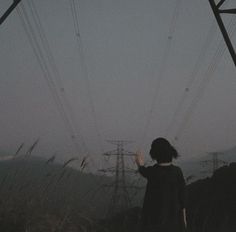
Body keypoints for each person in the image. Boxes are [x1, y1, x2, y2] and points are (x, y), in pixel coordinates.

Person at [135, 137, 187, 232]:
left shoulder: (153, 172)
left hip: (153, 223)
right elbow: (182, 200)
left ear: (154, 154)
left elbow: (143, 171)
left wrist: (139, 163)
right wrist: (183, 223)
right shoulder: (177, 171)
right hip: (174, 224)